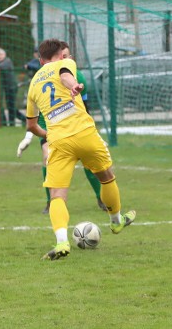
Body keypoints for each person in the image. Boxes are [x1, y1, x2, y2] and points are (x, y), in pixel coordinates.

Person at [24, 38, 136, 261]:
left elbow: (31, 125)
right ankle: (116, 221)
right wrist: (73, 85)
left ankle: (61, 242)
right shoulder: (66, 64)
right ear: (61, 56)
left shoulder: (33, 84)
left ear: (40, 59)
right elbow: (65, 75)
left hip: (58, 141)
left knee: (57, 195)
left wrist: (49, 134)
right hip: (84, 133)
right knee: (106, 176)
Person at [17, 42, 106, 214]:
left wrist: (93, 132)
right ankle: (51, 201)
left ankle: (101, 197)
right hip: (51, 127)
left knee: (91, 162)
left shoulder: (78, 76)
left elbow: (85, 108)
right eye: (62, 56)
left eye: (67, 56)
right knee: (47, 156)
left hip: (77, 126)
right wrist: (30, 136)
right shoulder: (40, 79)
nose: (64, 59)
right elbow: (34, 118)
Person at [0, 48, 17, 126]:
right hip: (5, 87)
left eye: (0, 55)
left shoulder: (7, 61)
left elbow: (1, 66)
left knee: (11, 106)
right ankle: (8, 122)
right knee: (7, 105)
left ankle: (14, 122)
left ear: (4, 55)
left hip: (12, 87)